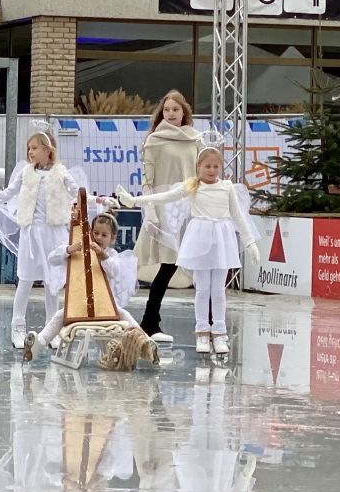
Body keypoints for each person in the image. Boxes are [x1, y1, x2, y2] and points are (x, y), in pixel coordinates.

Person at [0, 123, 112, 350]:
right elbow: (6, 195)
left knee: (52, 284)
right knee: (25, 280)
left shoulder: (60, 172)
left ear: (47, 149)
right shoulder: (26, 173)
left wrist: (99, 200)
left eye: (34, 148)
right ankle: (17, 327)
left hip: (53, 234)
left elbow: (78, 194)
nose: (30, 152)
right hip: (31, 234)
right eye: (28, 149)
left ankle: (51, 329)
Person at [116, 145, 260, 356]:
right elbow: (164, 197)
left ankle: (219, 332)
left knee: (218, 290)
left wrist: (250, 242)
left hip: (221, 240)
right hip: (200, 239)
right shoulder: (192, 186)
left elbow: (238, 215)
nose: (211, 170)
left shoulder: (227, 187)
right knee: (202, 289)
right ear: (198, 167)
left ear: (220, 167)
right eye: (207, 166)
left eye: (215, 166)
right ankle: (202, 331)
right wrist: (136, 201)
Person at [23, 211, 150, 362]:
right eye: (96, 233)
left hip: (105, 305)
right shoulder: (79, 250)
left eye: (104, 235)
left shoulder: (112, 254)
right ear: (89, 233)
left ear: (112, 238)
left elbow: (115, 271)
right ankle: (39, 343)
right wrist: (69, 250)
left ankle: (145, 343)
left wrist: (103, 255)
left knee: (125, 315)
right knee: (59, 315)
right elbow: (52, 259)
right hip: (80, 304)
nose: (99, 237)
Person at [135, 91, 200, 344]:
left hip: (190, 208)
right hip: (166, 208)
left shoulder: (196, 140)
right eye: (167, 109)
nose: (171, 113)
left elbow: (201, 173)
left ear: (184, 112)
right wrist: (151, 210)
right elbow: (147, 180)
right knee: (168, 265)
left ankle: (209, 326)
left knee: (199, 267)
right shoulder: (154, 141)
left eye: (175, 109)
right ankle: (150, 321)